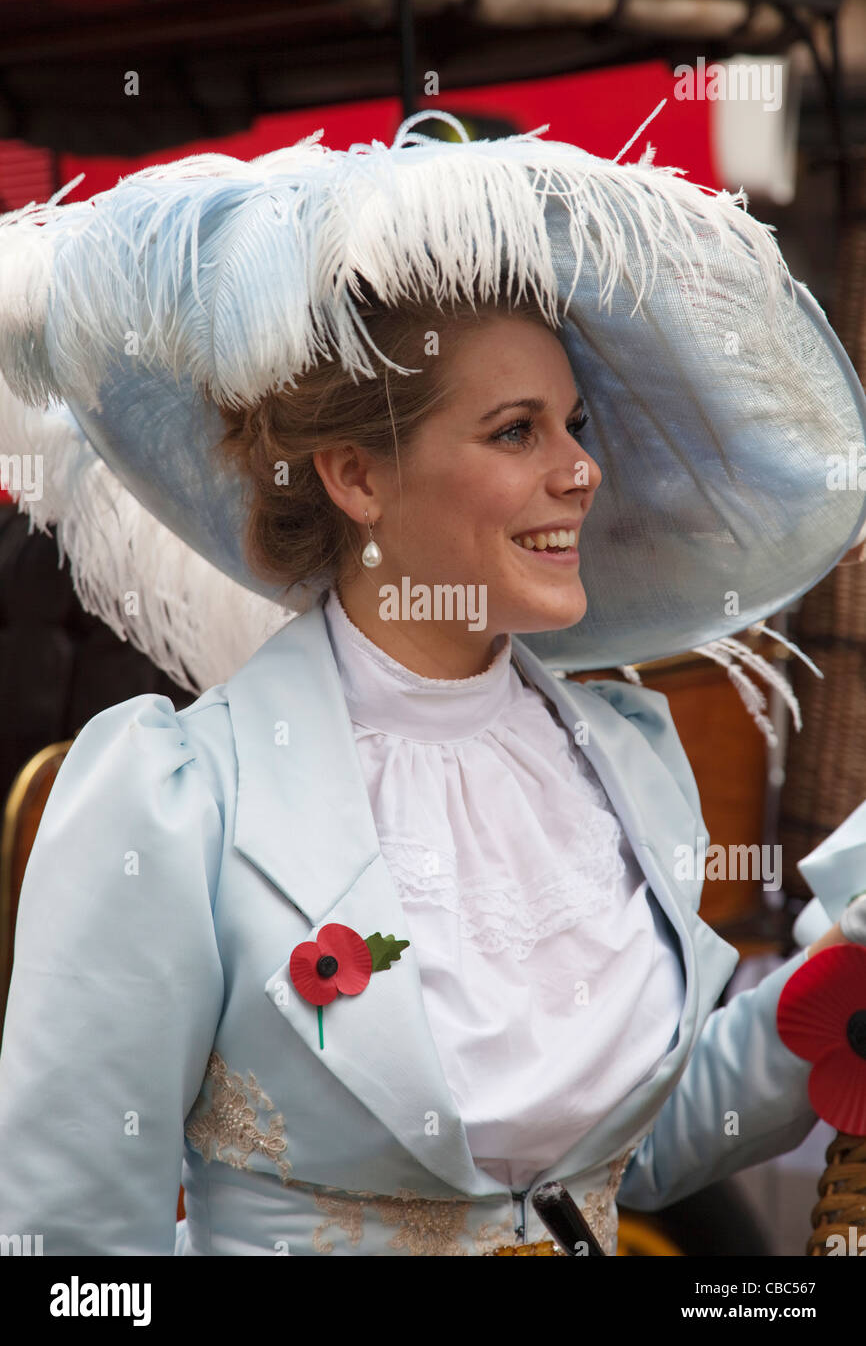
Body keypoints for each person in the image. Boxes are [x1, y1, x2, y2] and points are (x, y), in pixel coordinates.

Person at [0, 112, 864, 1256]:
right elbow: (69, 1256)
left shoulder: (621, 757)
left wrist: (837, 980)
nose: (579, 469)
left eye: (575, 423)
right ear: (355, 475)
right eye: (515, 432)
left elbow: (628, 1154)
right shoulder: (174, 801)